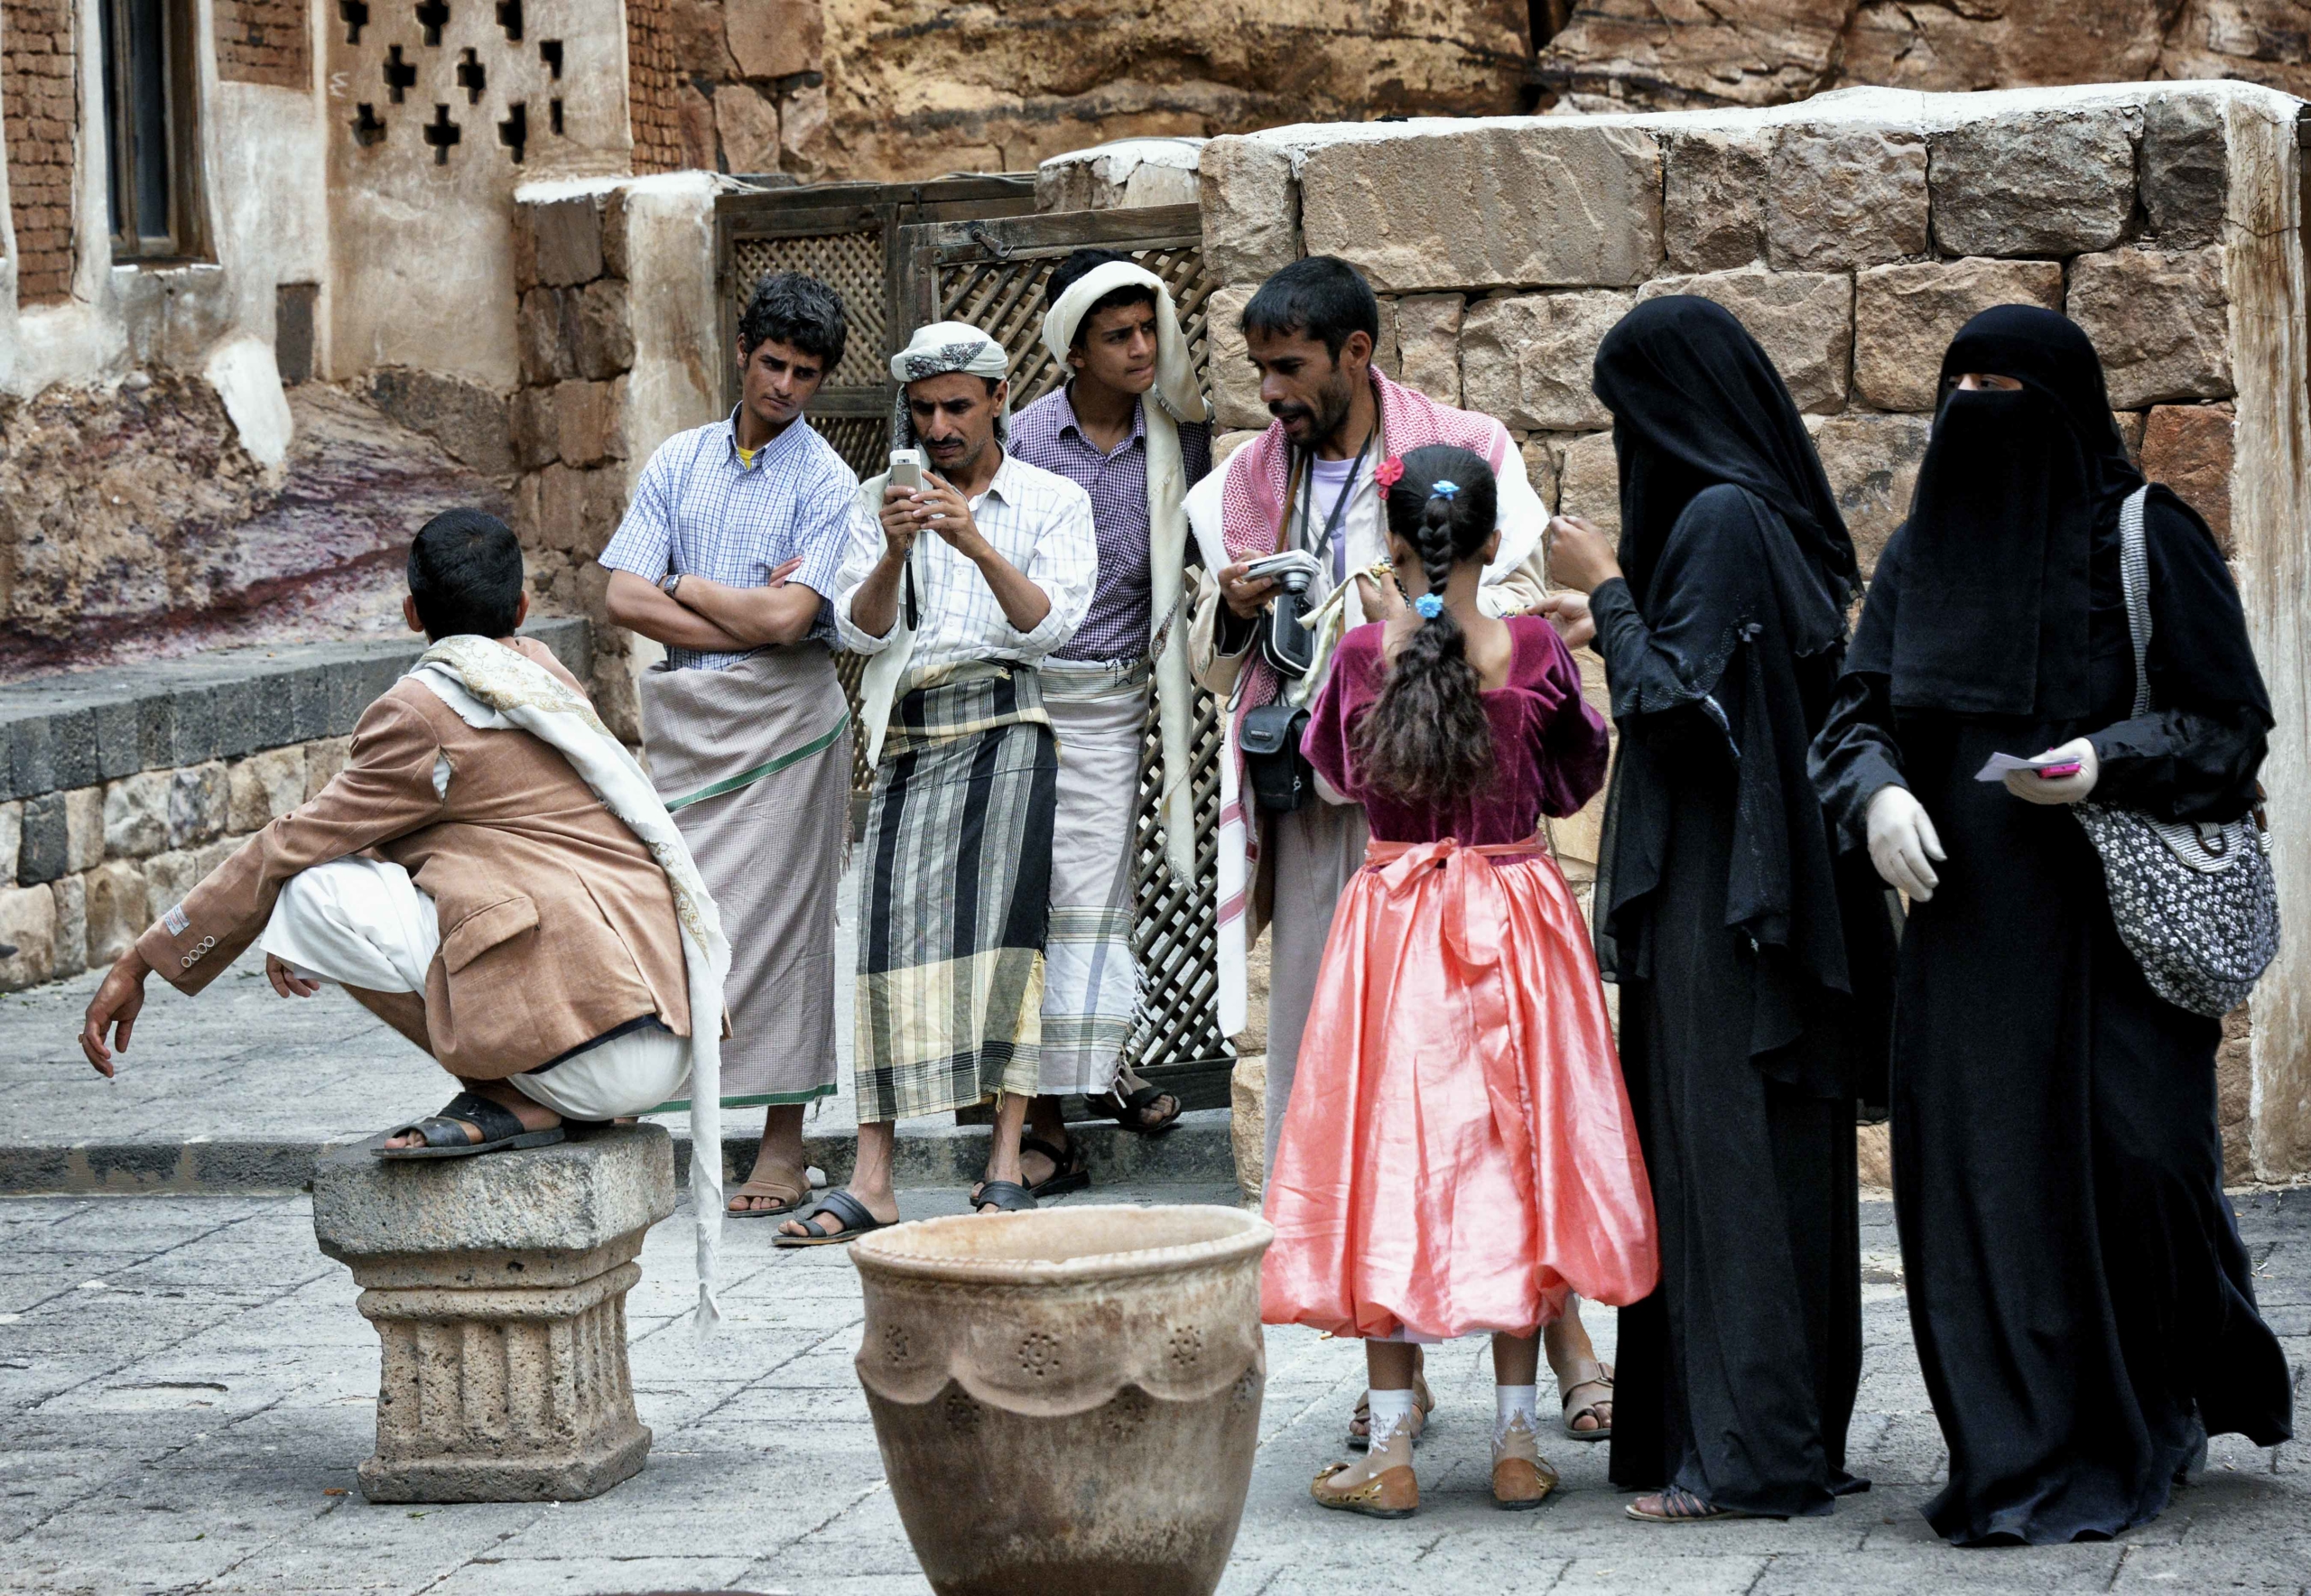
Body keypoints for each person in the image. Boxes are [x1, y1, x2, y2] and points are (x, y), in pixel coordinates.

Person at [1809, 305, 2294, 1544]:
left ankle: (2162, 1394)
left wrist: (2106, 757)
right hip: (1969, 943)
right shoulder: (1924, 552)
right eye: (1960, 382)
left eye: (2008, 384)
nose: (1982, 407)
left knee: (2140, 1166)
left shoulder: (2145, 538)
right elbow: (1855, 714)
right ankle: (2019, 1448)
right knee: (1983, 1197)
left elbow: (2226, 722)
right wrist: (1879, 798)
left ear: (2067, 403)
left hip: (2116, 934)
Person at [78, 510, 730, 1329]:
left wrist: (143, 959)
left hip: (583, 1063)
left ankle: (506, 1095)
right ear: (522, 608)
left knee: (305, 894)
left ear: (411, 613)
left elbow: (290, 844)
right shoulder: (539, 675)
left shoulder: (420, 709)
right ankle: (538, 1088)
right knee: (324, 879)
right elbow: (469, 812)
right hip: (670, 1041)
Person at [1186, 252, 1583, 1449]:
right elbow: (1207, 653)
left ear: (1359, 354)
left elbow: (1506, 603)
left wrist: (1383, 609)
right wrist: (1243, 607)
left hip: (1456, 799)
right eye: (1260, 371)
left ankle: (1568, 1359)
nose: (1273, 395)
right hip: (1334, 829)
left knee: (1506, 1099)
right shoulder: (1245, 483)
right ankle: (1392, 1374)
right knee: (1364, 1095)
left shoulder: (1467, 447)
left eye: (1290, 368)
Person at [1545, 296, 1895, 1523]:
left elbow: (1687, 722)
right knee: (1764, 1164)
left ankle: (1744, 1457)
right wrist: (1626, 616)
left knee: (1723, 1162)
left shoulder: (1718, 518)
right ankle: (1770, 1432)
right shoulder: (1763, 516)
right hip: (1766, 896)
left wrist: (1609, 592)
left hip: (1721, 900)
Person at [1262, 444, 1656, 1518]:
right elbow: (1576, 776)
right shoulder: (1531, 648)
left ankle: (1389, 1453)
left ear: (1391, 548)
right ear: (1493, 542)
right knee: (1516, 1163)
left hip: (1393, 930)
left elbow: (1338, 775)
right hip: (1515, 924)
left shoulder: (1355, 657)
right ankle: (1519, 1447)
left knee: (1387, 1163)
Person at [777, 320, 1096, 1243]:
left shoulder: (1050, 499)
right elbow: (862, 633)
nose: (941, 425)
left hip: (1009, 726)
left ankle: (1004, 1167)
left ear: (998, 400)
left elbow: (1048, 629)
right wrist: (893, 551)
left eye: (958, 405)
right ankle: (872, 1177)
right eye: (924, 410)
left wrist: (974, 545)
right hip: (910, 732)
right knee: (880, 946)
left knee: (1006, 944)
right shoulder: (883, 499)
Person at [599, 271, 856, 1221]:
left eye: (806, 372)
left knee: (788, 929)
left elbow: (795, 621)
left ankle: (782, 1148)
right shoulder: (677, 461)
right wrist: (743, 609)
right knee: (672, 916)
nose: (784, 386)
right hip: (690, 729)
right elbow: (622, 596)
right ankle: (673, 1116)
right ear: (742, 351)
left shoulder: (829, 482)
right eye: (773, 363)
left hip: (788, 728)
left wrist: (694, 587)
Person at [1005, 247, 1213, 1191]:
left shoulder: (1177, 440)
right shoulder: (1018, 440)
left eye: (1146, 329)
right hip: (1017, 696)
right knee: (1024, 902)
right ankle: (1045, 1120)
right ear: (1072, 349)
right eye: (1116, 334)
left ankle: (1094, 1071)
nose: (1140, 348)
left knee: (1092, 900)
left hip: (1112, 700)